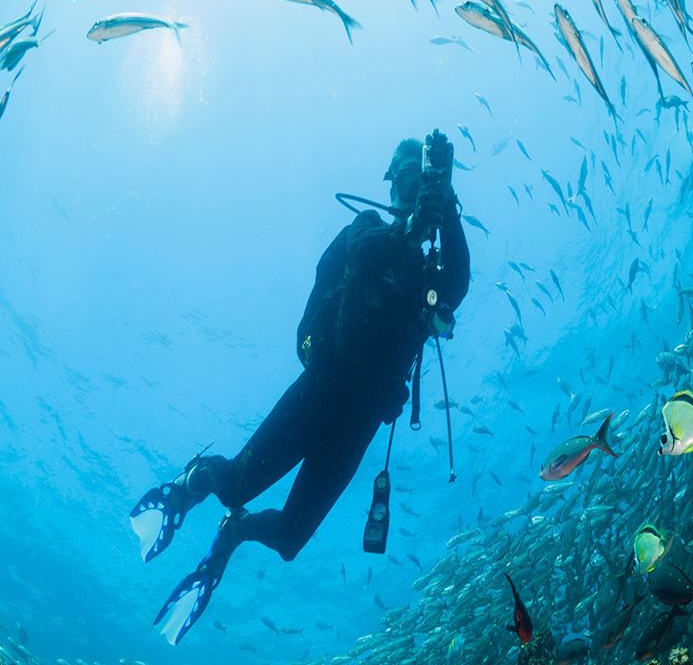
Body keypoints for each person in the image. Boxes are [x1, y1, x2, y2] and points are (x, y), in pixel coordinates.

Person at [130, 131, 470, 644]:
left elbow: (458, 285)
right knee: (235, 487)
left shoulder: (427, 268)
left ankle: (235, 532)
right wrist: (416, 222)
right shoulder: (367, 227)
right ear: (389, 182)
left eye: (417, 179)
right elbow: (363, 254)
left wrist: (448, 207)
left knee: (290, 539)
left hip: (359, 423)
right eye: (402, 177)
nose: (408, 187)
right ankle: (190, 483)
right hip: (320, 390)